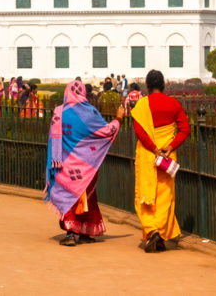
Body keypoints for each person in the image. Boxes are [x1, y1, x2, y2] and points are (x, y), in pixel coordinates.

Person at [46, 80, 126, 246]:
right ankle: (81, 230)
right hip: (86, 165)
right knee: (86, 197)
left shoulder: (59, 112)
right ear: (83, 93)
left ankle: (73, 231)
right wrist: (118, 118)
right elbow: (105, 131)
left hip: (65, 164)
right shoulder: (90, 112)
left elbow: (54, 141)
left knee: (72, 196)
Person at [132, 69, 190, 252]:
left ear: (147, 86)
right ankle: (160, 234)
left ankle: (152, 230)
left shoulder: (141, 105)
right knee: (164, 196)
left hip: (148, 155)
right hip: (167, 156)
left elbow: (139, 131)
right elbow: (185, 130)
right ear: (163, 85)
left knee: (145, 194)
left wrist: (153, 148)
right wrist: (170, 147)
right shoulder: (173, 104)